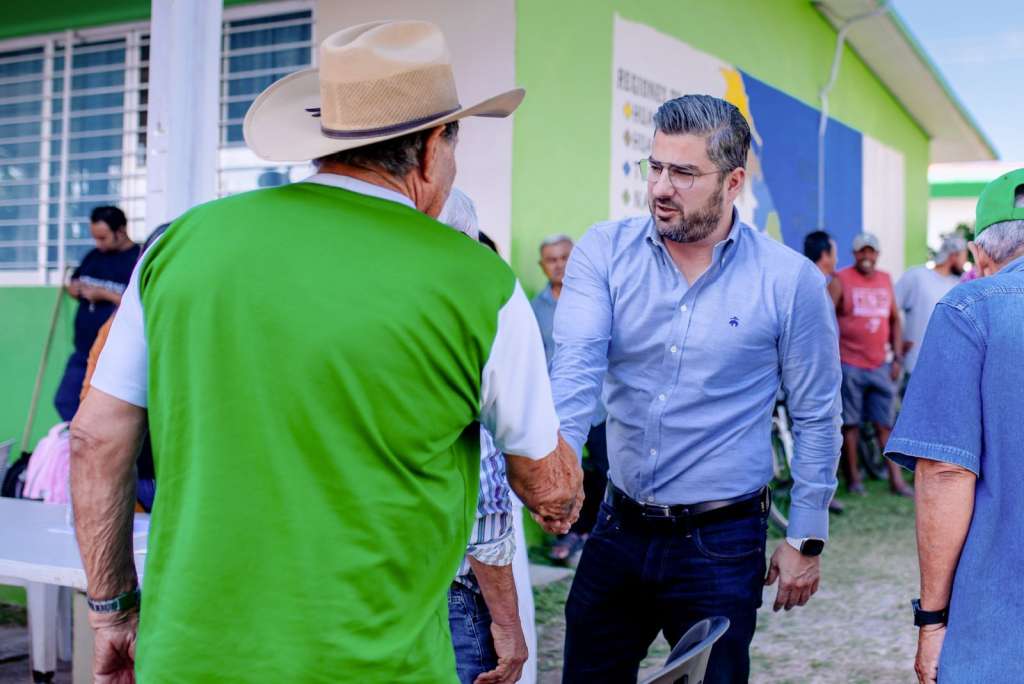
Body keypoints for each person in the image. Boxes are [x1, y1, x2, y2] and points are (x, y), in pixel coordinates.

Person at [70, 20, 582, 683]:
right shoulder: (478, 284)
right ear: (433, 148)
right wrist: (565, 482)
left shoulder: (180, 246)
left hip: (187, 660)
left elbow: (95, 441)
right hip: (378, 667)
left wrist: (111, 609)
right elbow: (545, 485)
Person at [552, 94, 842, 682]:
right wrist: (557, 464)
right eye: (655, 166)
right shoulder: (604, 252)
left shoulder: (789, 282)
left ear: (733, 182)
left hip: (722, 540)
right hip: (617, 525)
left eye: (684, 173)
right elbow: (576, 367)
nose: (661, 187)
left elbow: (816, 413)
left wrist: (805, 536)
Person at [885, 168, 1024, 683]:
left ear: (980, 256)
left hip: (1000, 633)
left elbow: (945, 472)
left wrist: (932, 620)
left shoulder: (971, 309)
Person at [531, 235, 610, 563]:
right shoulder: (534, 309)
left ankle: (596, 532)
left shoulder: (594, 297)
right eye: (552, 259)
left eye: (565, 257)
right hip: (555, 410)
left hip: (600, 404)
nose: (559, 265)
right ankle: (567, 535)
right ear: (542, 265)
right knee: (561, 469)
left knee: (605, 469)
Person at [828, 232, 913, 497]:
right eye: (861, 251)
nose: (866, 256)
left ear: (877, 254)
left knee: (885, 424)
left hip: (879, 365)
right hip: (849, 363)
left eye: (871, 251)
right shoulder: (841, 279)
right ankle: (854, 480)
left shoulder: (885, 279)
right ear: (854, 254)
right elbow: (824, 317)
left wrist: (896, 357)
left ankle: (896, 481)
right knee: (850, 425)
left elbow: (894, 321)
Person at [53, 206, 139, 421]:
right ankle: (75, 440)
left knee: (103, 412)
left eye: (103, 238)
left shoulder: (137, 259)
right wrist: (73, 289)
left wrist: (104, 294)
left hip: (114, 353)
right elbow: (75, 281)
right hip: (83, 349)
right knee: (65, 400)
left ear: (121, 230)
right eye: (95, 238)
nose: (98, 244)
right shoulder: (94, 256)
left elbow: (141, 303)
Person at [894, 234, 968, 378]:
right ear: (953, 256)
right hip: (915, 367)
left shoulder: (959, 285)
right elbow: (890, 311)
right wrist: (897, 344)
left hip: (946, 370)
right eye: (964, 257)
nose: (965, 263)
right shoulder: (917, 276)